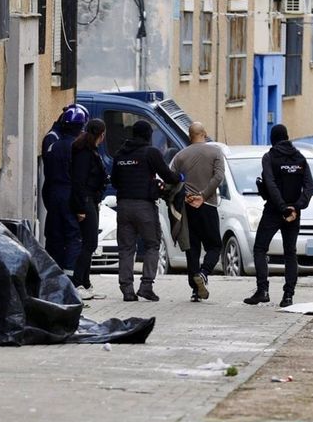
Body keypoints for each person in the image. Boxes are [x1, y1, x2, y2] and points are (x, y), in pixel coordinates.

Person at [111, 120, 182, 302]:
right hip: (144, 207)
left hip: (124, 207)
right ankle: (146, 286)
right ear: (148, 135)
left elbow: (115, 182)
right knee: (152, 245)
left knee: (126, 249)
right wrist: (179, 177)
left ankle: (127, 290)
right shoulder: (150, 153)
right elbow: (168, 175)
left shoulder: (120, 154)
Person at [244, 125, 313, 307]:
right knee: (290, 252)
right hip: (293, 213)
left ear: (272, 139)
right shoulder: (300, 157)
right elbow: (309, 187)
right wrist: (297, 207)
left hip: (275, 210)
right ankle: (288, 295)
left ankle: (263, 290)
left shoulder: (269, 157)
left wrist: (283, 207)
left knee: (260, 248)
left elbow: (270, 183)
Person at [170, 122, 225, 302]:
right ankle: (204, 273)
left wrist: (185, 196)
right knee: (215, 246)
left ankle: (195, 291)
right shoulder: (216, 152)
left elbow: (172, 181)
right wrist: (203, 195)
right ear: (205, 133)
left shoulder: (179, 156)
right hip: (207, 206)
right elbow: (218, 177)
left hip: (187, 209)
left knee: (192, 248)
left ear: (189, 136)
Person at [42, 104, 89, 276]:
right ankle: (70, 280)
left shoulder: (53, 145)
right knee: (73, 237)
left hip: (54, 194)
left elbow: (48, 174)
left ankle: (51, 278)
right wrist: (81, 206)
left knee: (54, 236)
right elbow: (80, 179)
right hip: (70, 195)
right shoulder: (78, 149)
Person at [69, 118, 107, 301]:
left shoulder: (91, 150)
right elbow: (78, 181)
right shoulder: (84, 153)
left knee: (90, 243)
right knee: (89, 243)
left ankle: (85, 283)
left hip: (91, 200)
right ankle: (77, 283)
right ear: (101, 133)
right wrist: (81, 208)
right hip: (85, 201)